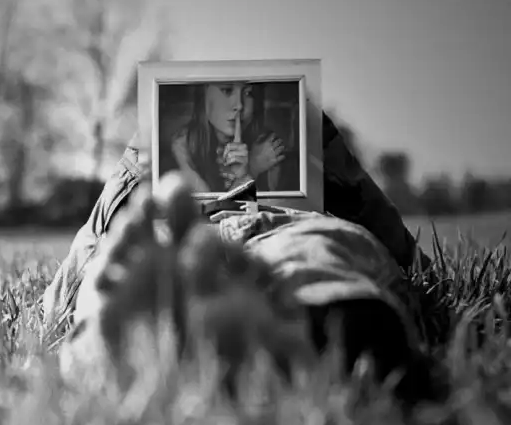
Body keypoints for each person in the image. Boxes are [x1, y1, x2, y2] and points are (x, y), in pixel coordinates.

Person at [42, 111, 442, 404]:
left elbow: (92, 240)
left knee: (107, 269)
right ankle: (302, 332)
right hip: (282, 227)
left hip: (227, 228)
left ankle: (127, 345)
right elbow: (398, 246)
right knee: (310, 259)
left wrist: (136, 166)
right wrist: (326, 148)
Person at [162, 82, 289, 193]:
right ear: (204, 95)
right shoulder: (183, 146)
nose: (239, 105)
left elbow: (273, 209)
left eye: (248, 93)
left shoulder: (268, 147)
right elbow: (210, 210)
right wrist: (251, 169)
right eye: (227, 90)